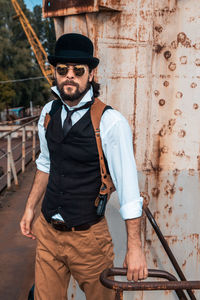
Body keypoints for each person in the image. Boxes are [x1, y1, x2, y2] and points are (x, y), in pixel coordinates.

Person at [20, 33, 148, 300]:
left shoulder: (111, 122)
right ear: (55, 73)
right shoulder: (48, 113)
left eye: (78, 70)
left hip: (89, 240)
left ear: (91, 74)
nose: (70, 75)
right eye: (62, 69)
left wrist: (135, 248)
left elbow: (128, 189)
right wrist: (30, 209)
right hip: (48, 232)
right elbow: (45, 164)